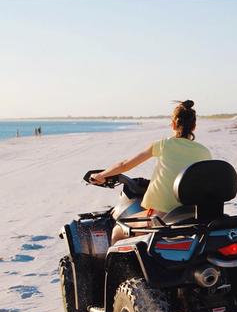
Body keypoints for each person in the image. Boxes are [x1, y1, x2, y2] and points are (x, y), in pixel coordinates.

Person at [90, 100, 211, 243]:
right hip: (191, 213)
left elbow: (125, 165)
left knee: (118, 231)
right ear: (194, 126)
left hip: (162, 215)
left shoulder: (163, 145)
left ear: (173, 124)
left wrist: (101, 175)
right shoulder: (205, 152)